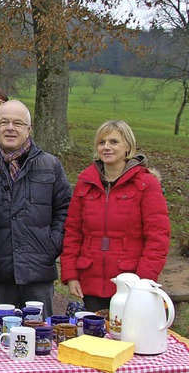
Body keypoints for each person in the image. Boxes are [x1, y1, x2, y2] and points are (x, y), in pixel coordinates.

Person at [61, 120, 170, 312]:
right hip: (91, 281)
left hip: (130, 283)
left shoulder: (146, 184)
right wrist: (71, 275)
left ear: (128, 146)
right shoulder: (85, 184)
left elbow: (158, 237)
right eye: (102, 142)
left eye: (114, 142)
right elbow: (73, 233)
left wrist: (144, 281)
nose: (107, 147)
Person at [0, 100, 71, 317]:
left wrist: (51, 244)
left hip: (38, 271)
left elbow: (65, 210)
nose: (11, 128)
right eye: (4, 122)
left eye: (18, 123)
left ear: (28, 130)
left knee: (40, 340)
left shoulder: (50, 165)